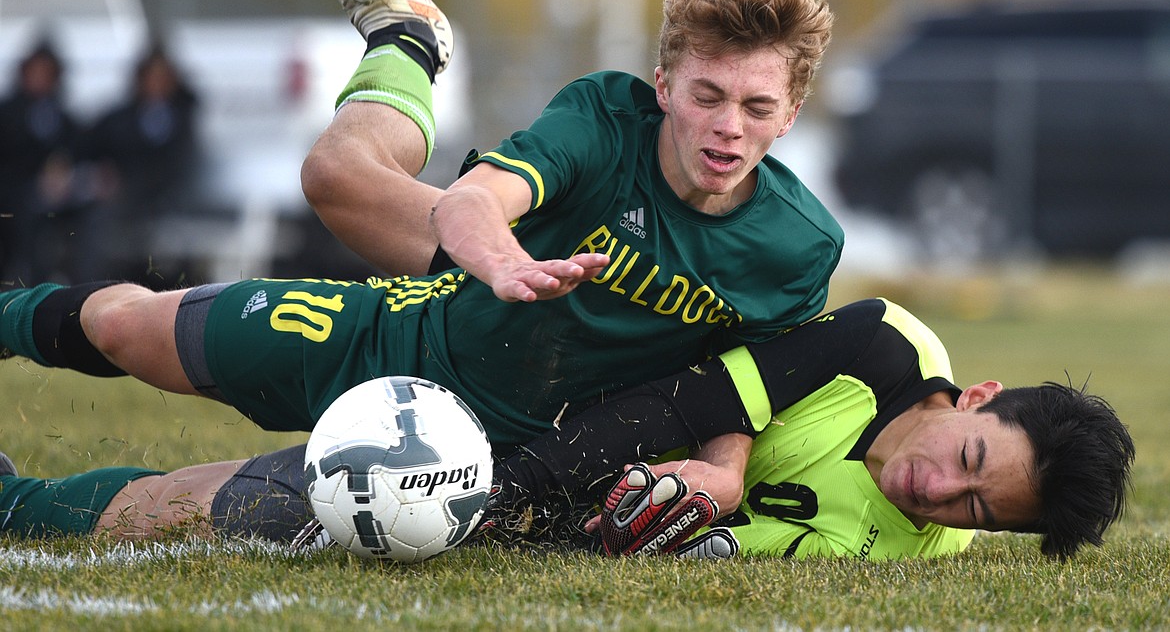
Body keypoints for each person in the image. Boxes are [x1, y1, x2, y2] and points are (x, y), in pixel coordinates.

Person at [0, 0, 841, 462]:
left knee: (211, 498)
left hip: (531, 443)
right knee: (317, 187)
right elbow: (477, 200)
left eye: (758, 108)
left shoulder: (799, 247)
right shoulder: (604, 117)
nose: (730, 126)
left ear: (791, 114)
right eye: (707, 95)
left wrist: (724, 471)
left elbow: (747, 381)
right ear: (664, 87)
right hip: (464, 297)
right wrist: (507, 261)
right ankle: (409, 38)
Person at [0, 299, 1135, 562]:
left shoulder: (911, 551)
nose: (944, 497)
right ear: (975, 398)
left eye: (982, 514)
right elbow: (684, 408)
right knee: (147, 331)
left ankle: (15, 504)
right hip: (534, 399)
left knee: (238, 505)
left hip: (547, 497)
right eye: (973, 466)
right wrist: (515, 491)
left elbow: (710, 560)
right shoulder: (885, 347)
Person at [70, 44, 201, 284]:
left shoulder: (182, 120)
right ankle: (90, 292)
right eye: (151, 76)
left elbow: (177, 167)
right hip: (125, 199)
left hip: (163, 201)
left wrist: (129, 183)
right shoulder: (123, 117)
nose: (156, 83)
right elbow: (88, 144)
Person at [0, 41, 81, 284]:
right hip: (12, 195)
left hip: (54, 199)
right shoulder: (7, 113)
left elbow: (74, 151)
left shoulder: (63, 117)